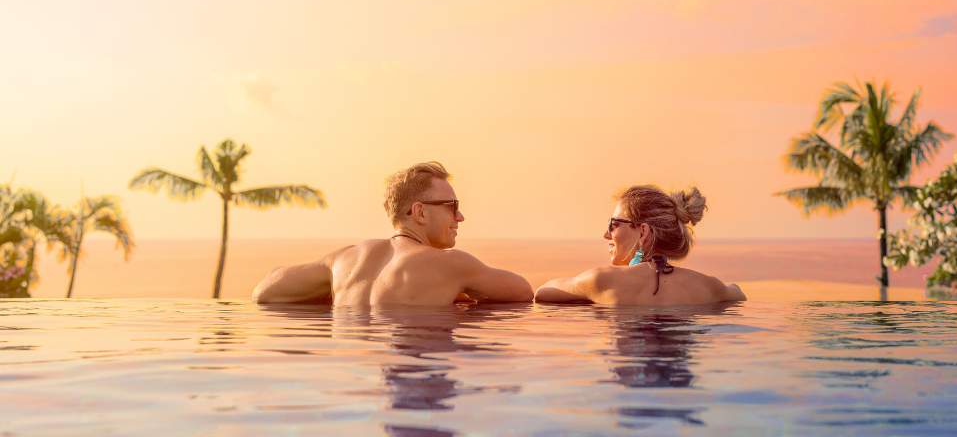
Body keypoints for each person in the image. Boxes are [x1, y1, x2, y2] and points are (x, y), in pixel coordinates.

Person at [252, 161, 533, 306]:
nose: (460, 216)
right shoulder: (451, 264)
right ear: (420, 212)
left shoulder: (344, 260)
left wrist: (331, 290)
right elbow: (523, 292)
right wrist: (457, 286)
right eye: (452, 206)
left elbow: (264, 291)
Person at [535, 185, 745, 305]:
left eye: (614, 224)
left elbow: (542, 293)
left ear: (643, 231)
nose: (606, 234)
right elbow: (737, 292)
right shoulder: (708, 287)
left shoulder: (602, 281)